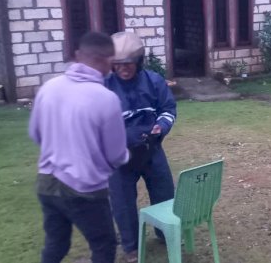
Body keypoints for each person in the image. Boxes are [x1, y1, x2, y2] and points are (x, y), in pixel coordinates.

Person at [29, 31, 129, 263]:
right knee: (103, 245)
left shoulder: (49, 87)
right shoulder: (105, 98)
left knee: (56, 244)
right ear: (108, 61)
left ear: (77, 55)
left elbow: (36, 134)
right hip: (85, 188)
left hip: (47, 182)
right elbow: (115, 154)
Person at [105, 31, 177, 263]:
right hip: (119, 156)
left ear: (139, 62)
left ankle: (165, 233)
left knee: (164, 192)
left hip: (151, 150)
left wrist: (160, 127)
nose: (124, 69)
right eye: (118, 65)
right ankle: (131, 247)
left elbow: (168, 109)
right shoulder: (103, 87)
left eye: (129, 64)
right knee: (122, 202)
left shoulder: (154, 82)